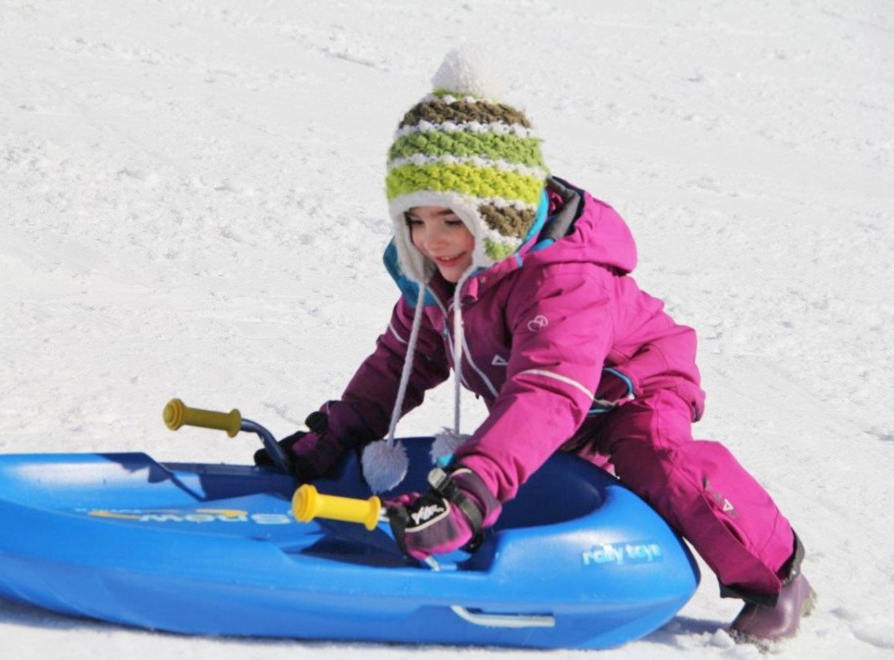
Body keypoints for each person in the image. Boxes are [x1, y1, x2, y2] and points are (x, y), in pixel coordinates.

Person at [258, 47, 815, 644]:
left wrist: (470, 491)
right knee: (522, 444)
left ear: (497, 214)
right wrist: (338, 436)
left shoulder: (564, 279)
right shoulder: (439, 275)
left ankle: (776, 578)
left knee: (656, 458)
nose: (433, 240)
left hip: (627, 390)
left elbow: (548, 390)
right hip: (543, 397)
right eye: (414, 221)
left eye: (451, 219)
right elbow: (400, 360)